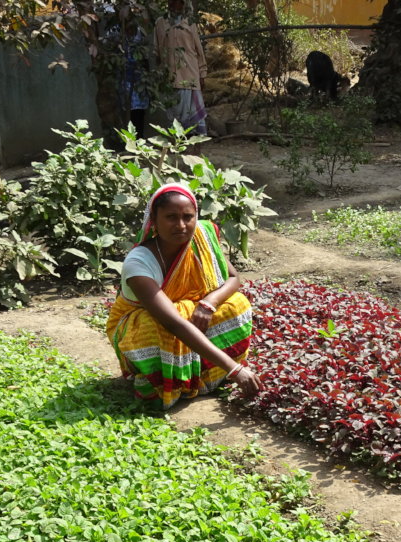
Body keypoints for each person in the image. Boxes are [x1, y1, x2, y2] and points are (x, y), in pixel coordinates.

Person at [106, 183, 262, 408]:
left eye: (188, 217)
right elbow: (173, 322)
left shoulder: (203, 237)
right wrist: (235, 369)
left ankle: (208, 375)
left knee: (236, 304)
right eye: (171, 217)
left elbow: (234, 278)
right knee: (156, 327)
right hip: (139, 323)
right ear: (154, 220)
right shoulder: (138, 262)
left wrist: (209, 302)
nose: (181, 225)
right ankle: (163, 380)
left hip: (185, 318)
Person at [154, 0, 208, 135]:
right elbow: (157, 50)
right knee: (173, 116)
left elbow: (198, 49)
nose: (174, 4)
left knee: (193, 115)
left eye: (178, 2)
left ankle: (194, 149)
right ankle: (177, 147)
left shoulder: (189, 22)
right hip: (169, 77)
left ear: (183, 4)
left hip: (190, 74)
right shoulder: (160, 23)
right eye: (171, 1)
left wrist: (202, 73)